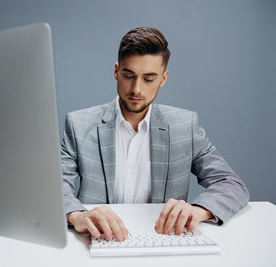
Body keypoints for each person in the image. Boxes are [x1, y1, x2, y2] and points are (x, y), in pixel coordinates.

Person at [61, 26, 249, 242]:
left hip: (163, 241)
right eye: (128, 75)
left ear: (163, 78)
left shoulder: (184, 126)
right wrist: (78, 215)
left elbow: (231, 184)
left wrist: (198, 210)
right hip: (97, 241)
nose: (136, 89)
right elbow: (55, 187)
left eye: (149, 79)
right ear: (116, 71)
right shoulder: (79, 124)